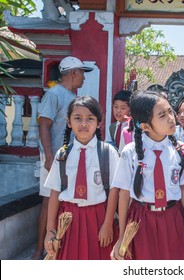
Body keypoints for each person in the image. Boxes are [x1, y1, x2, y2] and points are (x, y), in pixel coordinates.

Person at [110, 90, 184, 260]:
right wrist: (121, 237)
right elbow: (124, 194)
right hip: (141, 220)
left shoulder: (180, 149)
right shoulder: (130, 152)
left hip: (173, 218)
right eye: (162, 115)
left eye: (170, 111)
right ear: (145, 126)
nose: (171, 118)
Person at [44, 96, 120, 259]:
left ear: (99, 123)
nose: (84, 124)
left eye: (90, 119)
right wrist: (50, 230)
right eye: (77, 118)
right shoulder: (63, 154)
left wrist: (107, 224)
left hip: (99, 217)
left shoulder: (108, 152)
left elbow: (114, 190)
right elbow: (55, 192)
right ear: (69, 122)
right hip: (68, 220)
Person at [32, 56, 93, 259]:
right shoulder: (54, 94)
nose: (84, 78)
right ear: (73, 73)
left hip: (70, 159)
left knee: (64, 202)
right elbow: (44, 125)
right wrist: (49, 156)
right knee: (49, 202)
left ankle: (59, 248)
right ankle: (38, 250)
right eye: (82, 73)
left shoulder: (72, 97)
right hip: (54, 158)